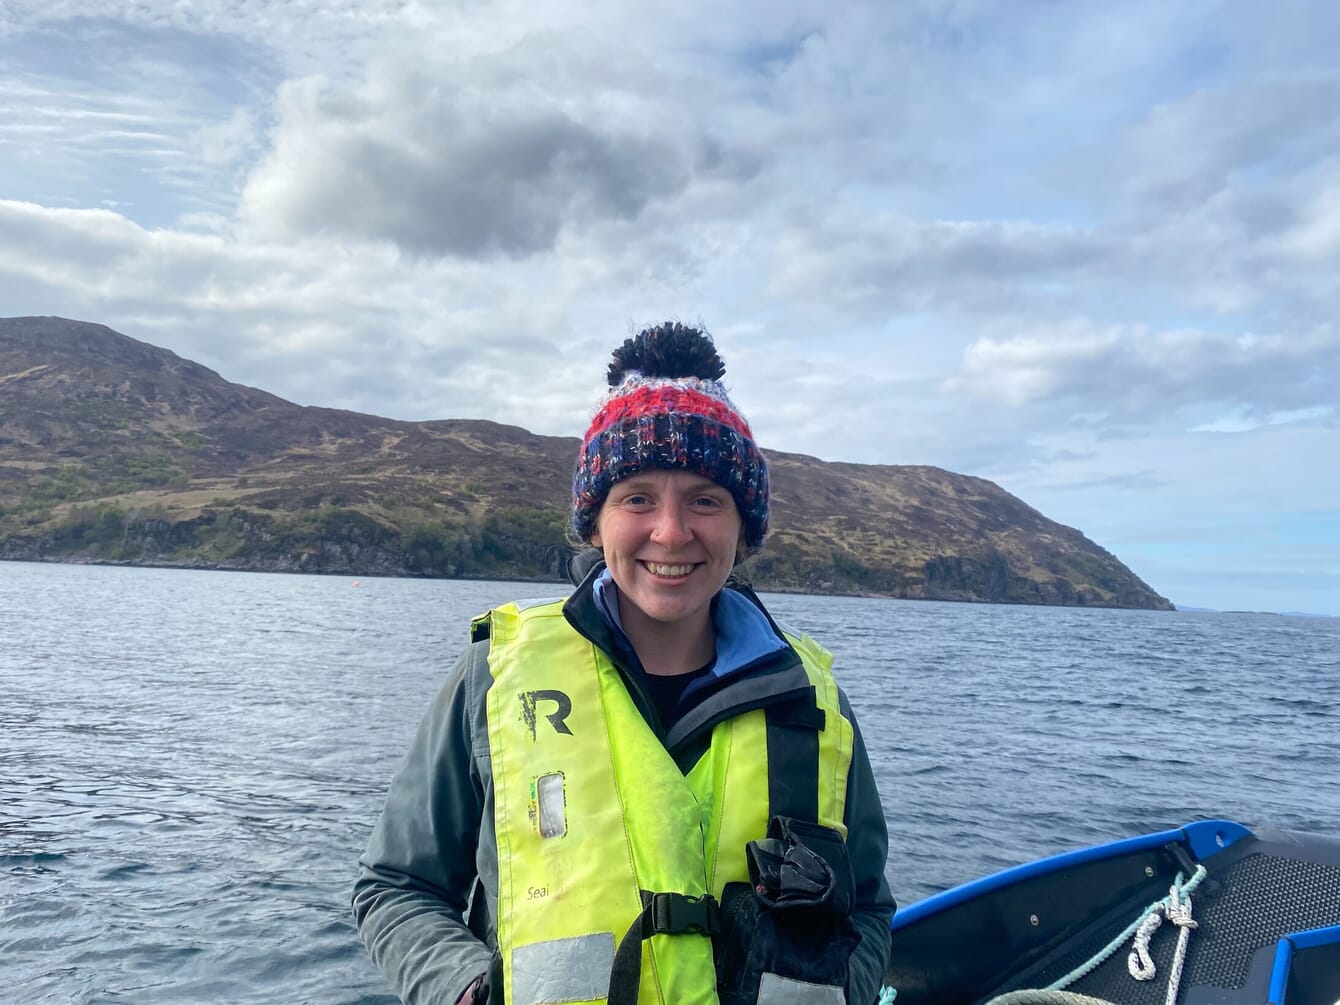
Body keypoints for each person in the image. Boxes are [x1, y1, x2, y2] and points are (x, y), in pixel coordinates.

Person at [353, 322, 894, 1005]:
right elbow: (396, 885)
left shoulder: (815, 705)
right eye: (637, 496)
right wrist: (463, 989)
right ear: (597, 519)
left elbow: (870, 907)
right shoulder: (491, 680)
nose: (671, 532)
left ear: (742, 525)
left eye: (706, 498)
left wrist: (846, 985)